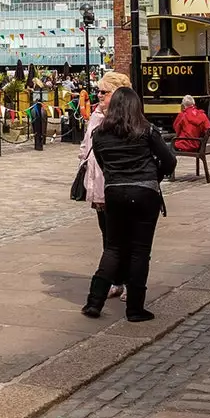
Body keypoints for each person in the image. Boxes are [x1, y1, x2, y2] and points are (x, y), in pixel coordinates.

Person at [82, 86, 176, 322]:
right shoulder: (146, 130)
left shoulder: (100, 135)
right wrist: (155, 175)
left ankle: (94, 302)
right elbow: (169, 160)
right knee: (140, 251)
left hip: (115, 192)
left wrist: (116, 178)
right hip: (145, 192)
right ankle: (135, 309)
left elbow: (102, 163)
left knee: (113, 248)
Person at [78, 71, 132, 301]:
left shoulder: (125, 118)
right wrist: (83, 161)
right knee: (107, 236)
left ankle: (130, 281)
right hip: (97, 186)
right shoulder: (96, 116)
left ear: (118, 94)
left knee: (123, 236)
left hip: (116, 185)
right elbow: (86, 144)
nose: (98, 95)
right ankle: (116, 281)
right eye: (98, 91)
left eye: (104, 91)